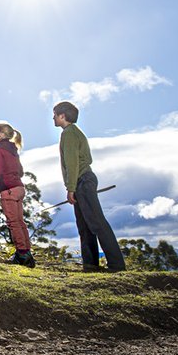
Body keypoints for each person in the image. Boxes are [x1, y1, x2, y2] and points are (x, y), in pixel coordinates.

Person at [53, 101, 125, 272]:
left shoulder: (69, 133)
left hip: (83, 181)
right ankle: (90, 265)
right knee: (85, 226)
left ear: (63, 116)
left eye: (55, 114)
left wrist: (70, 188)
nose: (53, 118)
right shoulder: (73, 133)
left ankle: (117, 266)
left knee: (97, 222)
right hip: (81, 181)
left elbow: (72, 162)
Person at [0, 122, 34, 267]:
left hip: (8, 190)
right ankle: (26, 252)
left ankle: (22, 254)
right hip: (19, 187)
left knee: (13, 223)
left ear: (0, 135)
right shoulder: (13, 149)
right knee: (20, 222)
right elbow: (20, 171)